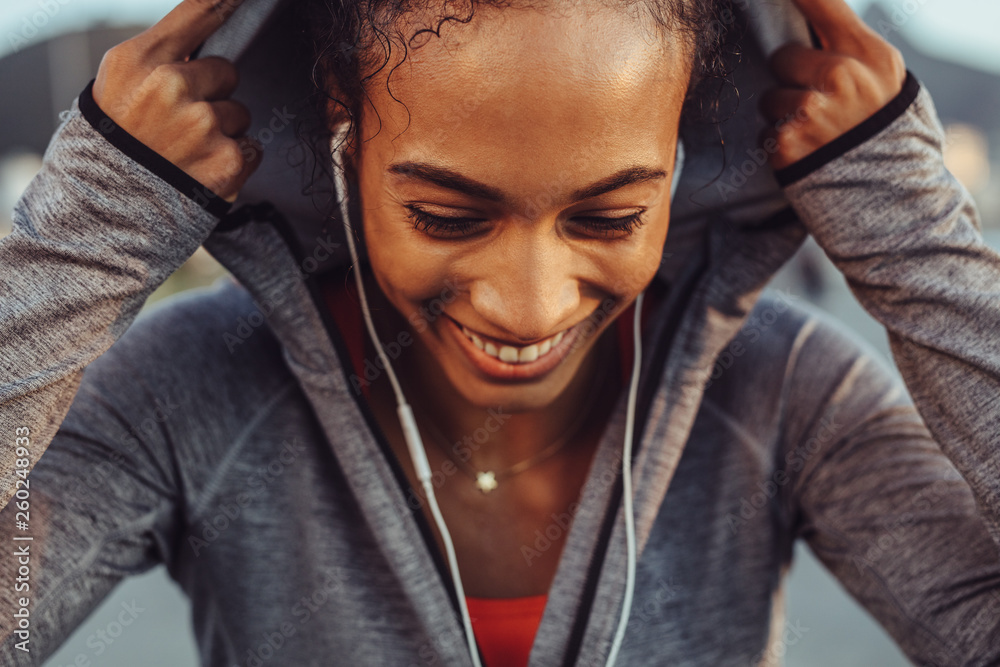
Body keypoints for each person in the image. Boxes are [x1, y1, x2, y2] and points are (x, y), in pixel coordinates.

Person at [2, 0, 999, 664]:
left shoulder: (789, 395)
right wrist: (91, 236)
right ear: (343, 131)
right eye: (445, 214)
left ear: (680, 152)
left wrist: (911, 238)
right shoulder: (187, 392)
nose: (528, 307)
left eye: (609, 217)